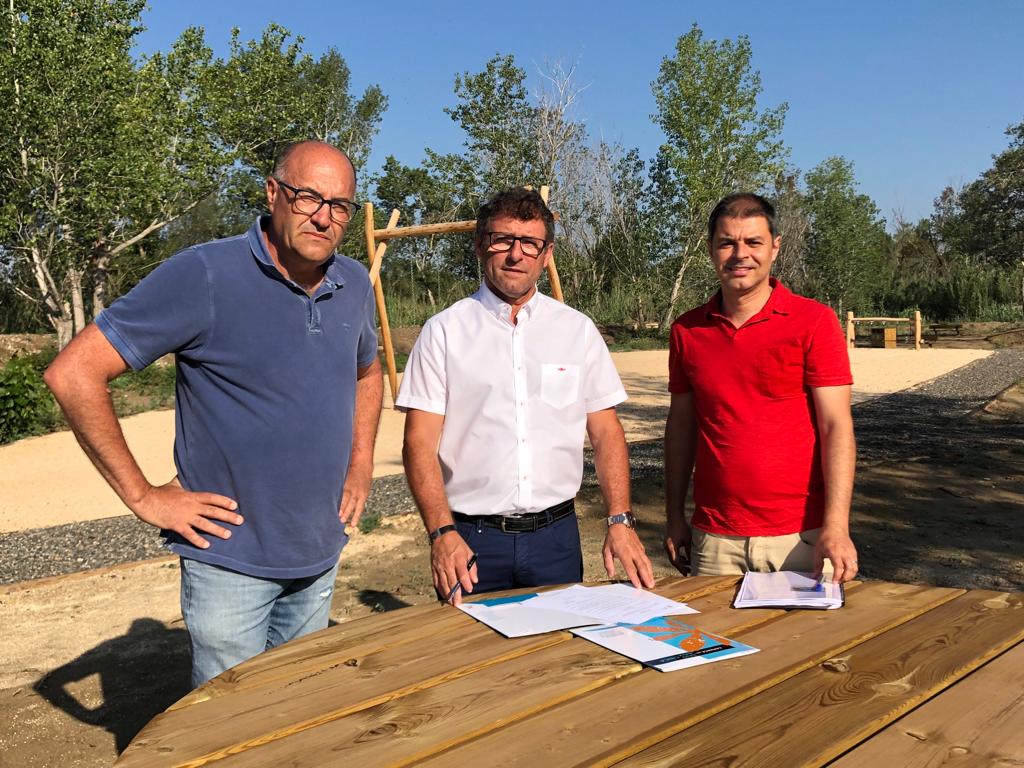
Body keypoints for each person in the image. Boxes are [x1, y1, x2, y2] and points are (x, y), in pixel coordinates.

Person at [44, 140, 383, 686]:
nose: (324, 216)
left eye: (339, 205)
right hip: (229, 559)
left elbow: (368, 372)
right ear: (273, 194)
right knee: (229, 730)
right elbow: (73, 373)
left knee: (297, 713)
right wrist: (144, 496)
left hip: (319, 548)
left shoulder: (353, 283)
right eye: (307, 198)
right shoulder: (204, 275)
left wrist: (361, 464)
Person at [397, 187, 654, 605]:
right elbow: (419, 443)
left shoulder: (576, 331)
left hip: (557, 540)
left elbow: (607, 432)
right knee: (471, 661)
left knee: (559, 659)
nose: (516, 255)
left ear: (547, 253)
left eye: (530, 243)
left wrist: (620, 520)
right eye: (503, 240)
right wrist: (442, 533)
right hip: (471, 542)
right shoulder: (444, 332)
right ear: (481, 245)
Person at [663, 192, 858, 583]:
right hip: (715, 537)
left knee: (801, 645)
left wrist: (836, 526)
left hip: (799, 535)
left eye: (753, 242)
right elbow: (681, 427)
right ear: (711, 249)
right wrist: (673, 516)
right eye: (727, 242)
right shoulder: (687, 330)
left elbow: (836, 427)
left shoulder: (813, 322)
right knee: (714, 643)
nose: (740, 254)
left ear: (774, 247)